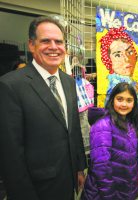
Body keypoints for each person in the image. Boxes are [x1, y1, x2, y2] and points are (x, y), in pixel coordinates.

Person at [0, 16, 86, 200]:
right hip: (36, 188)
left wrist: (79, 168)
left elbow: (73, 129)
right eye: (46, 41)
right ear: (31, 45)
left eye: (59, 42)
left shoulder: (69, 82)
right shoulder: (11, 85)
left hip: (67, 180)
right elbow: (10, 153)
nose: (54, 47)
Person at [82, 82, 138, 200]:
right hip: (105, 194)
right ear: (112, 100)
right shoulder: (103, 125)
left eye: (129, 100)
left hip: (124, 191)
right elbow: (101, 167)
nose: (124, 104)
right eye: (120, 99)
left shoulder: (130, 123)